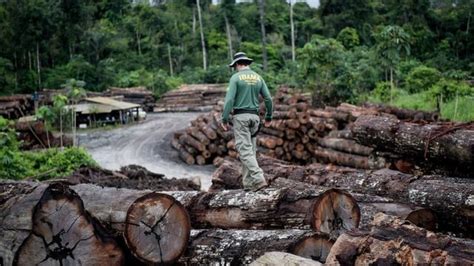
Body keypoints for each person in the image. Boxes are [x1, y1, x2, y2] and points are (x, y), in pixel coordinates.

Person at [220, 52, 273, 191]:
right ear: (247, 63)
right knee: (250, 151)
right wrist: (268, 117)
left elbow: (230, 100)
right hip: (255, 119)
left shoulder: (235, 78)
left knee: (244, 151)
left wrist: (224, 118)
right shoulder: (258, 77)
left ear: (237, 64)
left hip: (241, 117)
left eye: (235, 66)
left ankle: (258, 178)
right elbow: (268, 99)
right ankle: (248, 185)